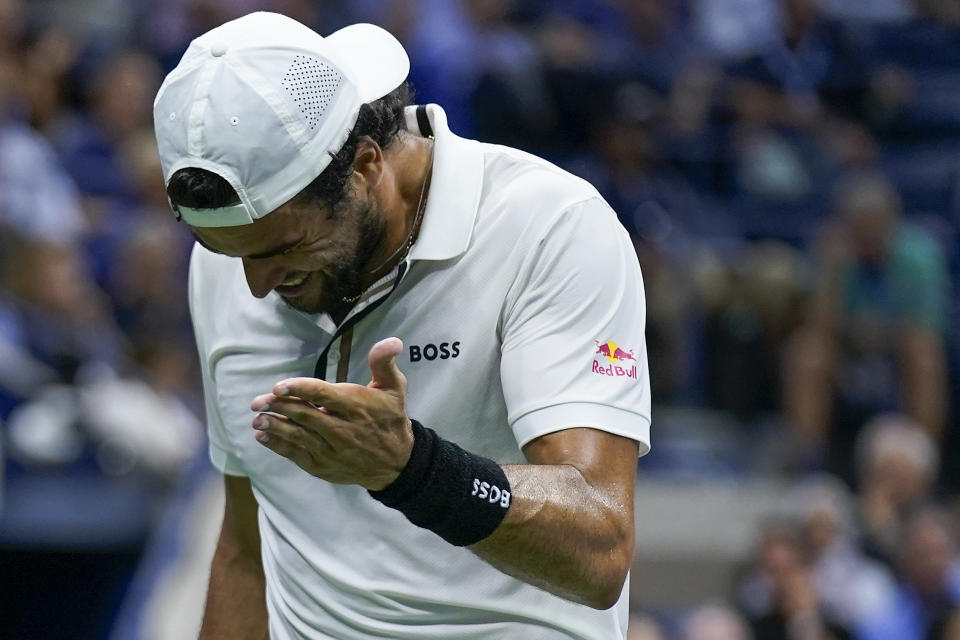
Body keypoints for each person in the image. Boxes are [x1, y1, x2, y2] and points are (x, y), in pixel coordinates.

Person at [152, 12, 651, 640]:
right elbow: (247, 549)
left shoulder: (551, 228)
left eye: (285, 247)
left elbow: (599, 545)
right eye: (231, 253)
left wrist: (412, 470)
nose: (253, 285)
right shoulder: (228, 264)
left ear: (364, 168)